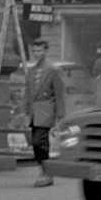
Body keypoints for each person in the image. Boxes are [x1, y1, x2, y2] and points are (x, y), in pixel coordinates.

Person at [25, 38, 66, 187]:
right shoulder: (31, 70)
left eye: (39, 51)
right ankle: (45, 172)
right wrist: (24, 113)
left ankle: (46, 173)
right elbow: (27, 94)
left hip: (46, 111)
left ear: (46, 51)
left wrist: (60, 116)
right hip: (34, 114)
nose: (36, 54)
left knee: (39, 141)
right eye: (34, 51)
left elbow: (59, 94)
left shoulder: (53, 70)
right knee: (38, 145)